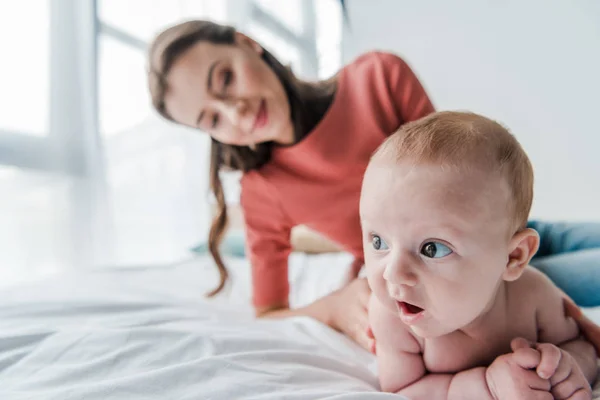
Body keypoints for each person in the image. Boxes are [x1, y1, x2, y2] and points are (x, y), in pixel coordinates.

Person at [146, 20, 600, 354]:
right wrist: (335, 305)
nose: (236, 111)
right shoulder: (262, 190)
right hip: (472, 273)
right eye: (212, 119)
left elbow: (459, 167)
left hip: (516, 228)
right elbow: (268, 311)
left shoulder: (379, 77)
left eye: (225, 79)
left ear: (248, 44)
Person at [363, 111, 596, 399]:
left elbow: (581, 345)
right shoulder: (391, 318)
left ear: (513, 258)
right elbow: (402, 388)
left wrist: (566, 368)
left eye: (431, 249)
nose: (393, 273)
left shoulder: (533, 296)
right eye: (378, 242)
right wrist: (487, 386)